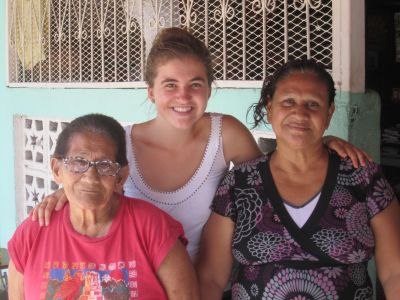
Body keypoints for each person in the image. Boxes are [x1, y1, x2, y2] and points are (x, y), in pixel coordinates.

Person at [33, 28, 370, 263]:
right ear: (151, 91)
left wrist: (320, 140)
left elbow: (274, 173)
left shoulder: (226, 134)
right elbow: (88, 178)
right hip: (134, 284)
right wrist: (64, 192)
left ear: (209, 88)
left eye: (195, 84)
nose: (183, 96)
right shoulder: (118, 141)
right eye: (170, 85)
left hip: (209, 283)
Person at [196, 59, 400, 299]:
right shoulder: (240, 183)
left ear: (329, 112)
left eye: (313, 104)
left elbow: (394, 273)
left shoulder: (363, 177)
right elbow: (210, 277)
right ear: (270, 109)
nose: (300, 113)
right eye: (288, 101)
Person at [8, 114, 198, 299]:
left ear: (120, 177)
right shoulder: (32, 232)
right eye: (79, 162)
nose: (90, 178)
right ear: (58, 170)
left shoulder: (152, 227)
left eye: (105, 165)